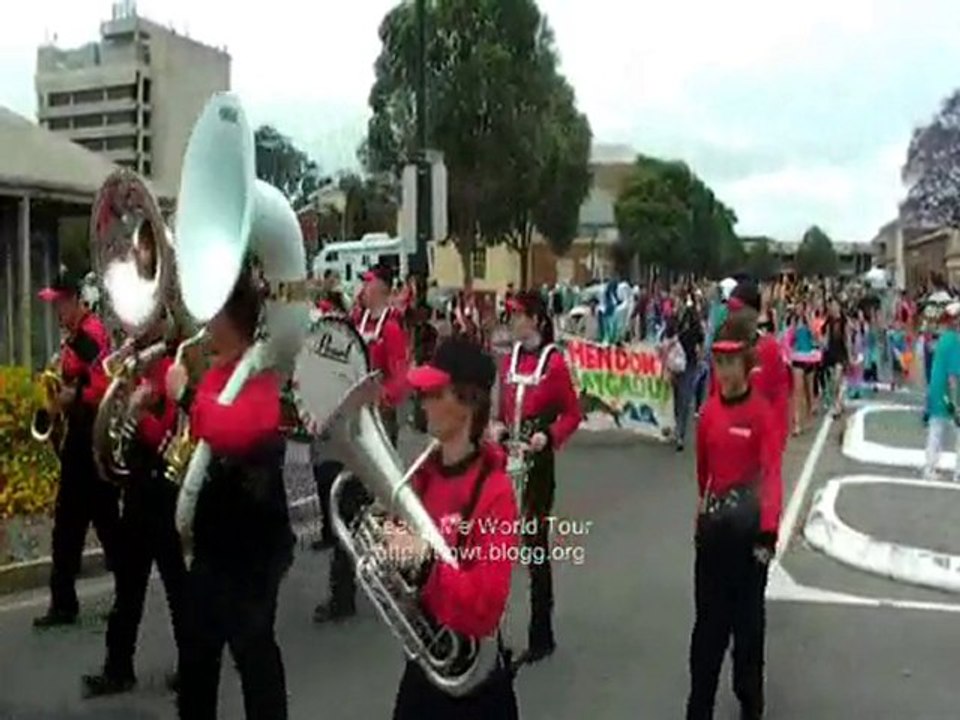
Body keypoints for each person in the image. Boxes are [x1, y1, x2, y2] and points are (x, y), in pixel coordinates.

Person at [167, 271, 294, 720]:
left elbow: (238, 430)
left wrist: (184, 398)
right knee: (196, 658)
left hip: (253, 547)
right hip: (213, 543)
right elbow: (205, 433)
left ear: (228, 318)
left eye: (212, 313)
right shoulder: (218, 373)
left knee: (255, 655)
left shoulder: (260, 371)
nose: (204, 324)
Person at [391, 336, 520, 719]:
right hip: (425, 665)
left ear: (466, 403)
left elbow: (487, 609)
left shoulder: (496, 492)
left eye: (435, 393)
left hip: (473, 683)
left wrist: (427, 561)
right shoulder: (422, 475)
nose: (423, 400)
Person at [82, 318, 186, 697]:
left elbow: (169, 434)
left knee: (177, 583)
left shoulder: (174, 365)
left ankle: (194, 666)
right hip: (139, 488)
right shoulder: (136, 363)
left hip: (163, 487)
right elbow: (98, 393)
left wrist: (139, 414)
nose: (136, 327)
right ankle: (117, 667)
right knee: (128, 582)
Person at [686, 312, 782, 720]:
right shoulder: (708, 414)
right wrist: (702, 517)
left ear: (747, 364)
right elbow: (703, 473)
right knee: (707, 634)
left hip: (749, 540)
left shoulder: (762, 414)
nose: (724, 371)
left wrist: (767, 534)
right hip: (714, 537)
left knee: (747, 636)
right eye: (719, 362)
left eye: (731, 362)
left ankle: (751, 706)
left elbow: (772, 474)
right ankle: (698, 710)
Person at [314, 263, 409, 623]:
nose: (362, 289)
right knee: (349, 504)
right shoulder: (358, 320)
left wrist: (379, 397)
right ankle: (347, 590)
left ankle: (391, 578)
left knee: (372, 505)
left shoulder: (392, 329)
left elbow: (402, 379)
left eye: (368, 284)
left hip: (375, 424)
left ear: (381, 289)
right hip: (350, 424)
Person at [492, 291, 581, 666]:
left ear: (535, 320)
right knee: (493, 548)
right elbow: (499, 407)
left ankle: (541, 634)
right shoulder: (508, 359)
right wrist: (495, 426)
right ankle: (491, 636)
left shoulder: (555, 363)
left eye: (516, 315)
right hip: (504, 460)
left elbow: (572, 414)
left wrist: (550, 436)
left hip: (537, 464)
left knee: (533, 549)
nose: (510, 321)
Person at [34, 269, 120, 628]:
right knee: (79, 522)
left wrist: (74, 396)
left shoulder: (90, 335)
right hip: (80, 437)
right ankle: (65, 602)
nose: (56, 310)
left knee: (94, 522)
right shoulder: (75, 335)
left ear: (73, 301)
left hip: (90, 436)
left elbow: (105, 385)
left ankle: (114, 593)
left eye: (59, 303)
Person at [922, 302, 960, 481]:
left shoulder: (945, 339)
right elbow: (953, 376)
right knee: (948, 430)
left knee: (936, 430)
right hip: (946, 394)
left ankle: (930, 467)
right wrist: (955, 404)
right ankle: (957, 471)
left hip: (936, 391)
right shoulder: (954, 342)